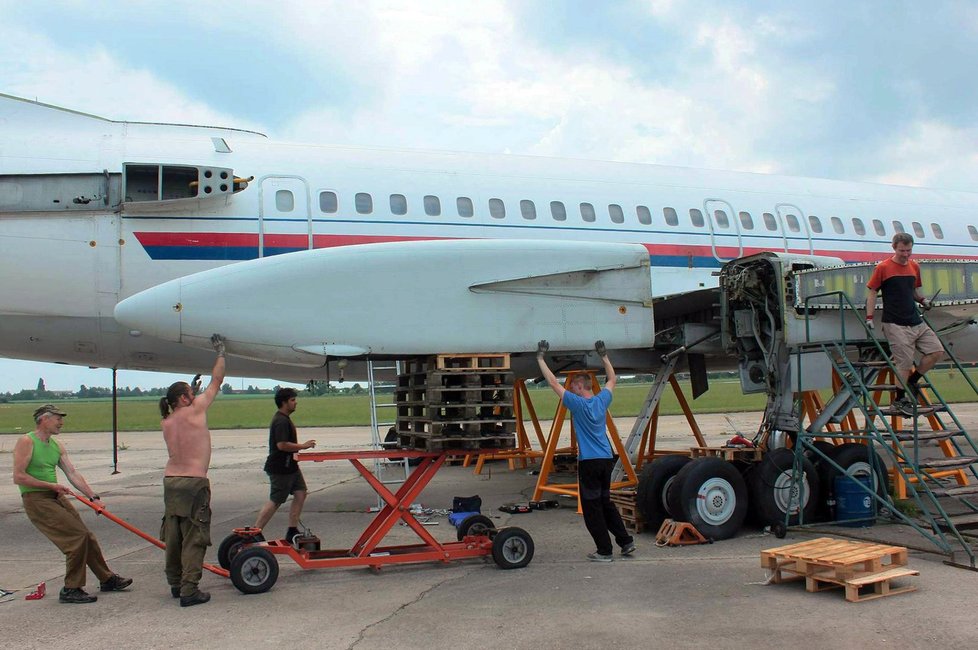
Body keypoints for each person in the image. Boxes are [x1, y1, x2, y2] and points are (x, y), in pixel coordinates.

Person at [12, 404, 133, 604]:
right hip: (36, 499)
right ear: (44, 419)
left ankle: (107, 579)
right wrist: (51, 485)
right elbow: (19, 477)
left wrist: (93, 497)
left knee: (88, 537)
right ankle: (71, 588)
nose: (62, 422)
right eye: (58, 418)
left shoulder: (56, 445)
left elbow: (72, 473)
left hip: (55, 496)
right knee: (77, 538)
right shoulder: (27, 441)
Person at [536, 339, 635, 561]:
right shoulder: (601, 401)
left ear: (581, 387)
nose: (570, 388)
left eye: (573, 386)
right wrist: (604, 356)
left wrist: (540, 359)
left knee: (592, 509)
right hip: (606, 458)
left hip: (589, 461)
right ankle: (626, 541)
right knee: (606, 502)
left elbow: (553, 383)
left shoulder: (578, 405)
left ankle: (604, 551)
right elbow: (612, 379)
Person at [159, 333, 226, 607]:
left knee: (173, 536)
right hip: (194, 482)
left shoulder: (167, 420)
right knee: (194, 536)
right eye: (190, 392)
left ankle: (175, 583)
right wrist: (220, 352)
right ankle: (190, 589)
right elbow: (217, 380)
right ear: (185, 398)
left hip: (170, 480)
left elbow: (186, 399)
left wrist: (189, 389)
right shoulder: (196, 409)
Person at [866, 232, 944, 417]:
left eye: (909, 250)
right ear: (894, 248)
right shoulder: (883, 267)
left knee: (936, 351)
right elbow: (872, 292)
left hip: (915, 320)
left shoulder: (914, 266)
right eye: (902, 250)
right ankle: (899, 400)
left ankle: (912, 381)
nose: (906, 254)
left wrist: (923, 300)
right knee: (904, 362)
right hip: (895, 323)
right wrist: (869, 317)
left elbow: (913, 291)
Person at [253, 387, 316, 544]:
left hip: (291, 467)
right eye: (293, 400)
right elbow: (281, 445)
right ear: (284, 402)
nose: (296, 403)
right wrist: (303, 446)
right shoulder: (281, 421)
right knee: (276, 500)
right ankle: (255, 531)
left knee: (301, 493)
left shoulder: (284, 418)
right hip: (281, 467)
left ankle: (292, 530)